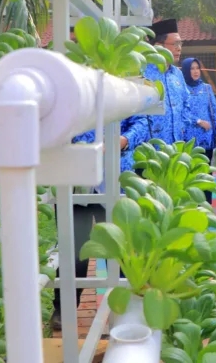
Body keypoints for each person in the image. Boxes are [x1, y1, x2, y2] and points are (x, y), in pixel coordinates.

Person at [50, 116, 148, 330]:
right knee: (73, 247)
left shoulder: (124, 85)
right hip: (77, 180)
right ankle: (63, 308)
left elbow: (142, 121)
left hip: (117, 181)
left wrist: (123, 139)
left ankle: (126, 306)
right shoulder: (73, 87)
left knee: (123, 249)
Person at [182, 58, 216, 204]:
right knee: (191, 172)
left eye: (197, 68)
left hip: (207, 138)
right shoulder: (182, 88)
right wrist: (198, 121)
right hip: (189, 139)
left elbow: (215, 111)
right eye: (191, 69)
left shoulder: (206, 88)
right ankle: (193, 204)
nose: (195, 71)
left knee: (206, 172)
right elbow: (182, 112)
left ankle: (207, 204)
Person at [143, 19, 193, 144]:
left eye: (181, 43)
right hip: (151, 148)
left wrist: (183, 126)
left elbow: (186, 102)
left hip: (176, 144)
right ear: (159, 46)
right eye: (175, 44)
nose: (179, 48)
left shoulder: (177, 73)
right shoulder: (142, 72)